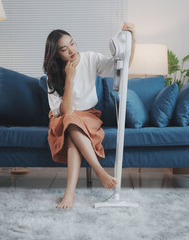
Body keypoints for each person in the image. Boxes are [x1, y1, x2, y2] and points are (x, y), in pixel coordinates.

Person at [43, 23, 135, 208]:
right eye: (64, 49)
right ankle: (99, 172)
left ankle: (70, 194)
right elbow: (66, 111)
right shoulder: (52, 78)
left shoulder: (90, 58)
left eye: (72, 43)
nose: (71, 50)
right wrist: (69, 78)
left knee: (72, 133)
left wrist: (133, 40)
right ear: (56, 54)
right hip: (63, 118)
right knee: (69, 121)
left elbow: (122, 67)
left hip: (87, 116)